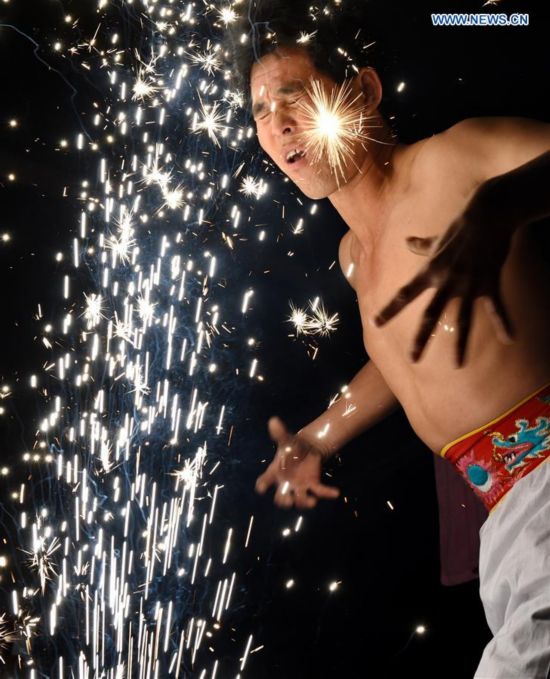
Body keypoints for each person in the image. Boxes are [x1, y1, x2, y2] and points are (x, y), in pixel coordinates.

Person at [229, 2, 550, 676]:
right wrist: (320, 434)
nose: (279, 123)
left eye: (294, 95)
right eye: (260, 110)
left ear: (364, 90)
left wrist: (504, 204)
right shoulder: (353, 256)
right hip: (506, 518)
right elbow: (400, 354)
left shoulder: (455, 160)